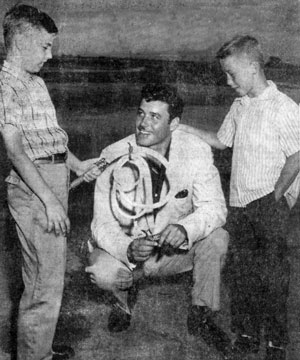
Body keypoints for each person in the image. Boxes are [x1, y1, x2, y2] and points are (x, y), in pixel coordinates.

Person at [86, 83, 232, 358]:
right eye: (141, 114)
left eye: (155, 117)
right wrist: (128, 247)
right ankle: (122, 303)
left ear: (174, 123)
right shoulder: (113, 154)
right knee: (102, 271)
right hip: (131, 253)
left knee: (217, 238)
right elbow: (100, 224)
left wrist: (184, 228)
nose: (143, 123)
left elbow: (215, 208)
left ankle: (201, 314)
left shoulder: (197, 151)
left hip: (171, 252)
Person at [180, 35, 300, 360]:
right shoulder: (239, 106)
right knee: (243, 274)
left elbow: (297, 154)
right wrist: (185, 129)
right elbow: (221, 142)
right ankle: (246, 334)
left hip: (268, 204)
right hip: (239, 205)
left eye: (232, 74)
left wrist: (275, 194)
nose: (228, 81)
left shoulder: (284, 107)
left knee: (273, 278)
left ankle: (276, 343)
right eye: (224, 75)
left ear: (252, 67)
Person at [0, 4, 99, 360]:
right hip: (35, 187)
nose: (50, 54)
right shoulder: (5, 85)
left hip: (52, 178)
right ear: (20, 42)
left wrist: (77, 165)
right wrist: (50, 200)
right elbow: (16, 151)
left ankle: (39, 348)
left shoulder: (36, 83)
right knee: (43, 282)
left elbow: (51, 141)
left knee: (50, 277)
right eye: (44, 46)